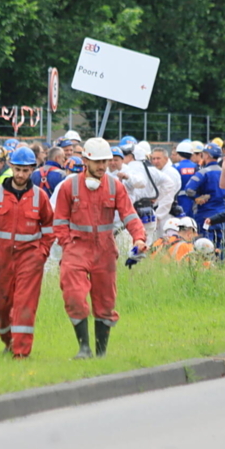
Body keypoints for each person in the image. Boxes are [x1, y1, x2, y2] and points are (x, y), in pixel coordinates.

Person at [54, 137, 146, 359]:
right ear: (85, 160)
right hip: (76, 248)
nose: (102, 166)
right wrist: (67, 245)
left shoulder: (116, 186)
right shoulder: (69, 186)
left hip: (104, 249)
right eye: (97, 162)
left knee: (105, 302)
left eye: (105, 161)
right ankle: (84, 348)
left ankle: (101, 353)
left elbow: (129, 215)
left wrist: (139, 238)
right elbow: (59, 222)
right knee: (74, 296)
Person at [0, 147, 54, 358]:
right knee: (1, 307)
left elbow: (50, 230)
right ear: (11, 167)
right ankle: (8, 342)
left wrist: (42, 253)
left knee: (24, 305)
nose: (21, 174)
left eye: (25, 170)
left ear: (33, 169)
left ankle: (21, 354)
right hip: (2, 260)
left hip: (30, 260)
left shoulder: (40, 197)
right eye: (17, 169)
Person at [185, 142, 225, 251]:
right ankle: (220, 266)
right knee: (220, 246)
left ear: (207, 155)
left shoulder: (203, 172)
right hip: (222, 215)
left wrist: (196, 198)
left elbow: (189, 189)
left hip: (205, 214)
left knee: (204, 246)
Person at [120, 141, 165, 240]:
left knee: (129, 244)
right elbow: (168, 184)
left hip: (132, 213)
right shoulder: (149, 169)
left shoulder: (129, 168)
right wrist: (158, 199)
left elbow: (139, 183)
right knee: (146, 244)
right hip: (149, 211)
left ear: (131, 157)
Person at [150, 146, 181, 238]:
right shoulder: (158, 172)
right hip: (158, 211)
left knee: (163, 242)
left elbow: (168, 198)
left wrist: (158, 217)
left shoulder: (170, 173)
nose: (155, 161)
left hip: (165, 214)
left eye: (158, 158)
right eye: (153, 159)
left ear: (166, 159)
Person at [174, 140, 199, 217]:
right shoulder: (196, 166)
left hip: (179, 201)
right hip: (194, 201)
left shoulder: (175, 167)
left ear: (178, 154)